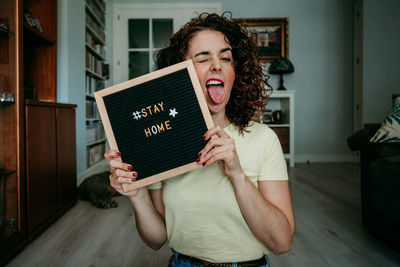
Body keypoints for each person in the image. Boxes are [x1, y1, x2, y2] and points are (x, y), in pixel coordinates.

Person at [105, 12, 295, 267]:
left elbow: (281, 243)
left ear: (235, 73)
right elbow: (156, 239)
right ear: (178, 74)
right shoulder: (158, 144)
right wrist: (137, 195)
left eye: (225, 58)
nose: (217, 65)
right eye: (203, 59)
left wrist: (237, 174)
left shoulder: (264, 139)